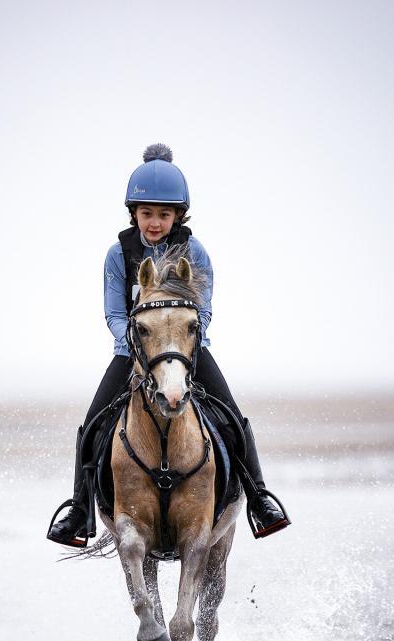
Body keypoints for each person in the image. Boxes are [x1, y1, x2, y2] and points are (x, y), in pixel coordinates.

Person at [47, 143, 290, 548]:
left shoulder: (195, 253)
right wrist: (139, 343)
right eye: (147, 213)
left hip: (187, 354)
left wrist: (181, 344)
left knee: (234, 419)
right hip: (133, 354)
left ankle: (259, 499)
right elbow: (113, 314)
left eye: (164, 214)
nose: (155, 222)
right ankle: (79, 511)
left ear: (178, 215)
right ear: (134, 214)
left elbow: (206, 310)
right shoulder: (117, 255)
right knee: (90, 426)